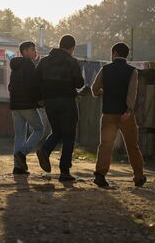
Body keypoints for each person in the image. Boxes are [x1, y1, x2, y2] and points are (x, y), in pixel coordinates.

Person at [91, 42, 146, 188]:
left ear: (114, 53)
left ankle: (100, 174)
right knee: (132, 146)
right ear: (126, 55)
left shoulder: (105, 69)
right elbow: (131, 92)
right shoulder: (132, 71)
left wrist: (101, 93)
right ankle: (139, 176)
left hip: (108, 114)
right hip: (125, 115)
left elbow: (94, 88)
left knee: (106, 145)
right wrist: (129, 110)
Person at [34, 35, 84, 181]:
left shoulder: (44, 61)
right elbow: (79, 83)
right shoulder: (72, 61)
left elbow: (36, 81)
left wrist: (39, 99)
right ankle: (64, 171)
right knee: (69, 136)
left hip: (49, 102)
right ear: (72, 48)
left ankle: (45, 150)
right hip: (67, 101)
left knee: (57, 131)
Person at [8, 41, 45, 175]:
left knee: (19, 136)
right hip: (27, 105)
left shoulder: (16, 66)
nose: (34, 51)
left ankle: (18, 167)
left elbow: (10, 87)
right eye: (32, 49)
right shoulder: (29, 65)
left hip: (15, 106)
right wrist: (39, 100)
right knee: (39, 129)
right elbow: (33, 86)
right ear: (24, 51)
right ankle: (22, 154)